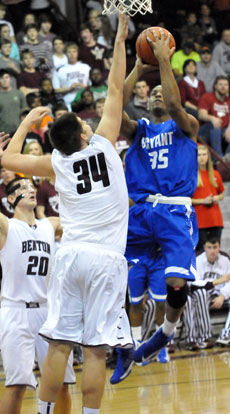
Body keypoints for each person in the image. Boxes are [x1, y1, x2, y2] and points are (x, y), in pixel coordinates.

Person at [2, 14, 132, 414]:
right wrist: (121, 36)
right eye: (84, 124)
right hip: (105, 260)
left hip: (70, 256)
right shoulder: (106, 144)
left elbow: (5, 158)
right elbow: (113, 85)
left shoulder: (56, 163)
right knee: (94, 350)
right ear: (82, 135)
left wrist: (25, 122)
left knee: (58, 343)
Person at [110, 28, 199, 381]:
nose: (159, 94)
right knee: (116, 281)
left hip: (174, 210)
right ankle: (125, 348)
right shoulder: (140, 130)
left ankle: (164, 335)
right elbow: (115, 107)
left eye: (164, 90)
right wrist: (138, 67)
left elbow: (176, 104)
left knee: (177, 285)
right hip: (140, 212)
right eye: (154, 92)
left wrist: (164, 62)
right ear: (146, 102)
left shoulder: (187, 126)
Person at [0, 174, 76, 414]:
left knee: (61, 384)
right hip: (15, 310)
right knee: (17, 385)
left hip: (48, 310)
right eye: (21, 187)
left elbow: (84, 221)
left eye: (31, 186)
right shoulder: (7, 227)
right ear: (11, 198)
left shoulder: (49, 225)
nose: (30, 189)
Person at [183, 237, 230, 350]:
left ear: (219, 247)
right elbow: (194, 283)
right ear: (204, 248)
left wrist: (223, 295)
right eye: (209, 247)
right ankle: (202, 337)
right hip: (201, 293)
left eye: (215, 247)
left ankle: (225, 335)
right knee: (201, 293)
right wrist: (216, 281)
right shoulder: (197, 260)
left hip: (220, 293)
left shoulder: (226, 260)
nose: (212, 251)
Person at [191, 144, 225, 252]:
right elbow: (187, 199)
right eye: (199, 155)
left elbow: (222, 194)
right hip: (200, 221)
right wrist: (203, 201)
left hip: (215, 219)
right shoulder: (192, 176)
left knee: (216, 252)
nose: (202, 157)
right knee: (201, 252)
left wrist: (216, 198)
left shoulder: (215, 173)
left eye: (204, 154)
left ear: (208, 156)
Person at [52, 42, 91, 111]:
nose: (72, 54)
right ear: (65, 54)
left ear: (77, 53)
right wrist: (70, 88)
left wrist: (84, 86)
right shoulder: (59, 70)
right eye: (69, 52)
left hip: (85, 102)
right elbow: (56, 89)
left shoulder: (86, 67)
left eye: (74, 51)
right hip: (68, 103)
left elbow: (91, 85)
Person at [198, 75, 230, 157]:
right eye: (220, 84)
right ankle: (218, 158)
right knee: (215, 125)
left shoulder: (228, 100)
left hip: (222, 130)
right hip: (205, 131)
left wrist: (229, 127)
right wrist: (212, 118)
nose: (223, 87)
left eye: (225, 85)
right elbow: (201, 114)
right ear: (215, 86)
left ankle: (227, 157)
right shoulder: (207, 97)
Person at [0, 69, 27, 135]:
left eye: (7, 77)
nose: (4, 80)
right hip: (2, 132)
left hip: (18, 131)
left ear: (10, 79)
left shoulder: (19, 93)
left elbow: (25, 111)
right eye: (1, 78)